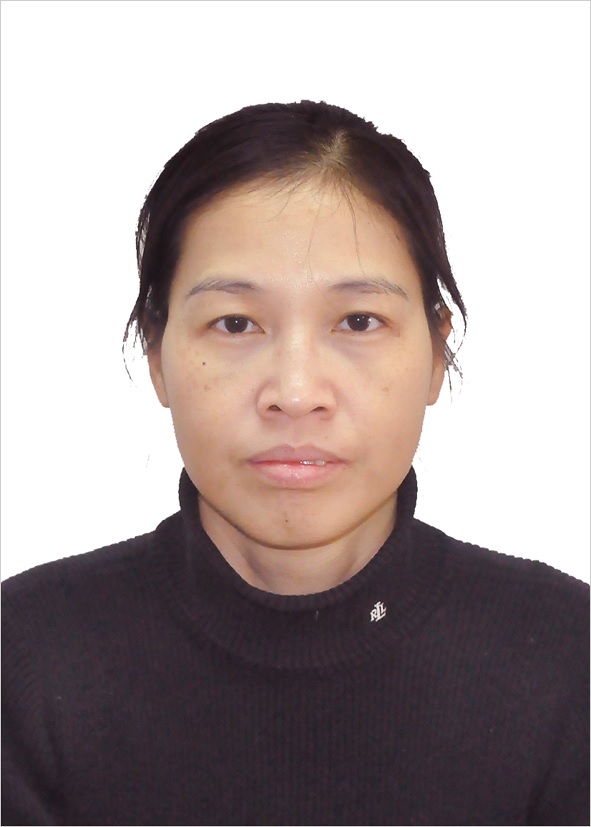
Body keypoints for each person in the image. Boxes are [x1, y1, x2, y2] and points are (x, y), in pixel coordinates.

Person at [2, 101, 588, 827]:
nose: (296, 392)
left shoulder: (568, 662)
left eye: (359, 321)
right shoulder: (25, 663)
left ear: (438, 353)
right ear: (156, 353)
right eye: (235, 323)